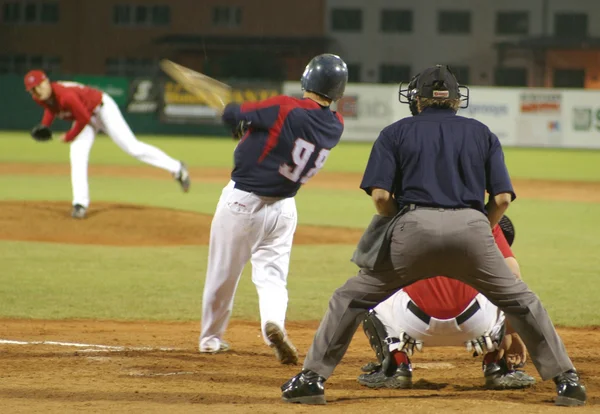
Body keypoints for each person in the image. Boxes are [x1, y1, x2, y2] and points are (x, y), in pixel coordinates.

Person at [281, 65, 586, 406]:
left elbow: (380, 197)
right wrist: (479, 226)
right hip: (472, 229)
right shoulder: (482, 133)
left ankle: (312, 380)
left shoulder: (395, 133)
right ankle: (567, 381)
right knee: (521, 301)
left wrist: (400, 222)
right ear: (456, 100)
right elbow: (501, 199)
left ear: (417, 100)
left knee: (350, 299)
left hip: (412, 229)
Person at [199, 54, 348, 365]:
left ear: (307, 79)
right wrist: (251, 129)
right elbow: (279, 132)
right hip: (284, 209)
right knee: (272, 276)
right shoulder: (336, 124)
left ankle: (211, 340)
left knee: (222, 275)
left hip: (243, 204)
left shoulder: (286, 105)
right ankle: (274, 324)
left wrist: (234, 116)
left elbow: (234, 113)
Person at [358, 217, 535, 390]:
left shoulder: (401, 219)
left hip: (412, 324)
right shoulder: (483, 220)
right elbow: (514, 279)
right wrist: (510, 334)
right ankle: (496, 366)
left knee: (368, 288)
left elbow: (372, 272)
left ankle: (396, 366)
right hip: (477, 326)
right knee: (501, 286)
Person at [25, 70, 190, 219]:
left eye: (38, 86)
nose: (37, 91)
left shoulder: (66, 95)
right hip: (86, 116)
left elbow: (83, 119)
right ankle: (80, 204)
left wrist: (69, 136)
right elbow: (51, 108)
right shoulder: (39, 97)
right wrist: (45, 125)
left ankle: (177, 167)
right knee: (77, 154)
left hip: (102, 109)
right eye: (32, 89)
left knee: (132, 147)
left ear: (46, 81)